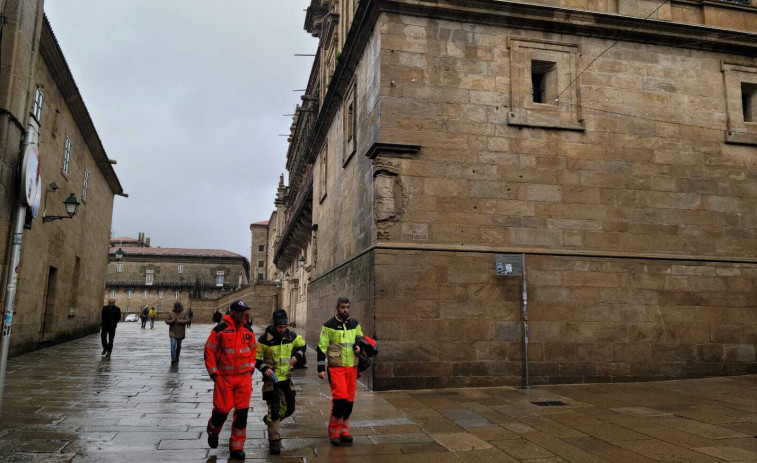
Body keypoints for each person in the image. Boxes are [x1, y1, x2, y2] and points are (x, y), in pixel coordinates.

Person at [204, 300, 257, 460]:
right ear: (232, 312)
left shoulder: (248, 330)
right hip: (224, 378)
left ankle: (237, 447)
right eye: (239, 311)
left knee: (242, 414)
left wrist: (251, 368)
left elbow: (254, 351)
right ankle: (213, 431)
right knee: (221, 411)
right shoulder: (219, 330)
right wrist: (214, 373)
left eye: (244, 311)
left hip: (243, 378)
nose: (242, 314)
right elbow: (209, 351)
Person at [255, 309, 306, 455]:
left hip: (286, 379)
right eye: (280, 327)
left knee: (290, 409)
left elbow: (303, 346)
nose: (282, 330)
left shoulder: (292, 337)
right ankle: (274, 440)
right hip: (272, 381)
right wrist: (265, 368)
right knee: (275, 409)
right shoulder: (264, 340)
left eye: (284, 327)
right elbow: (256, 359)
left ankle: (271, 420)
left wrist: (297, 356)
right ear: (274, 325)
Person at [317, 297, 363, 446]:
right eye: (343, 307)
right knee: (340, 399)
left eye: (348, 307)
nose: (345, 310)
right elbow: (322, 347)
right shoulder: (329, 326)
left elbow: (360, 338)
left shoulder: (355, 324)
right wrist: (320, 368)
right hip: (336, 368)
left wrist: (358, 345)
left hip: (352, 368)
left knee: (349, 402)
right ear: (337, 307)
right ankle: (333, 431)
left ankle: (344, 430)